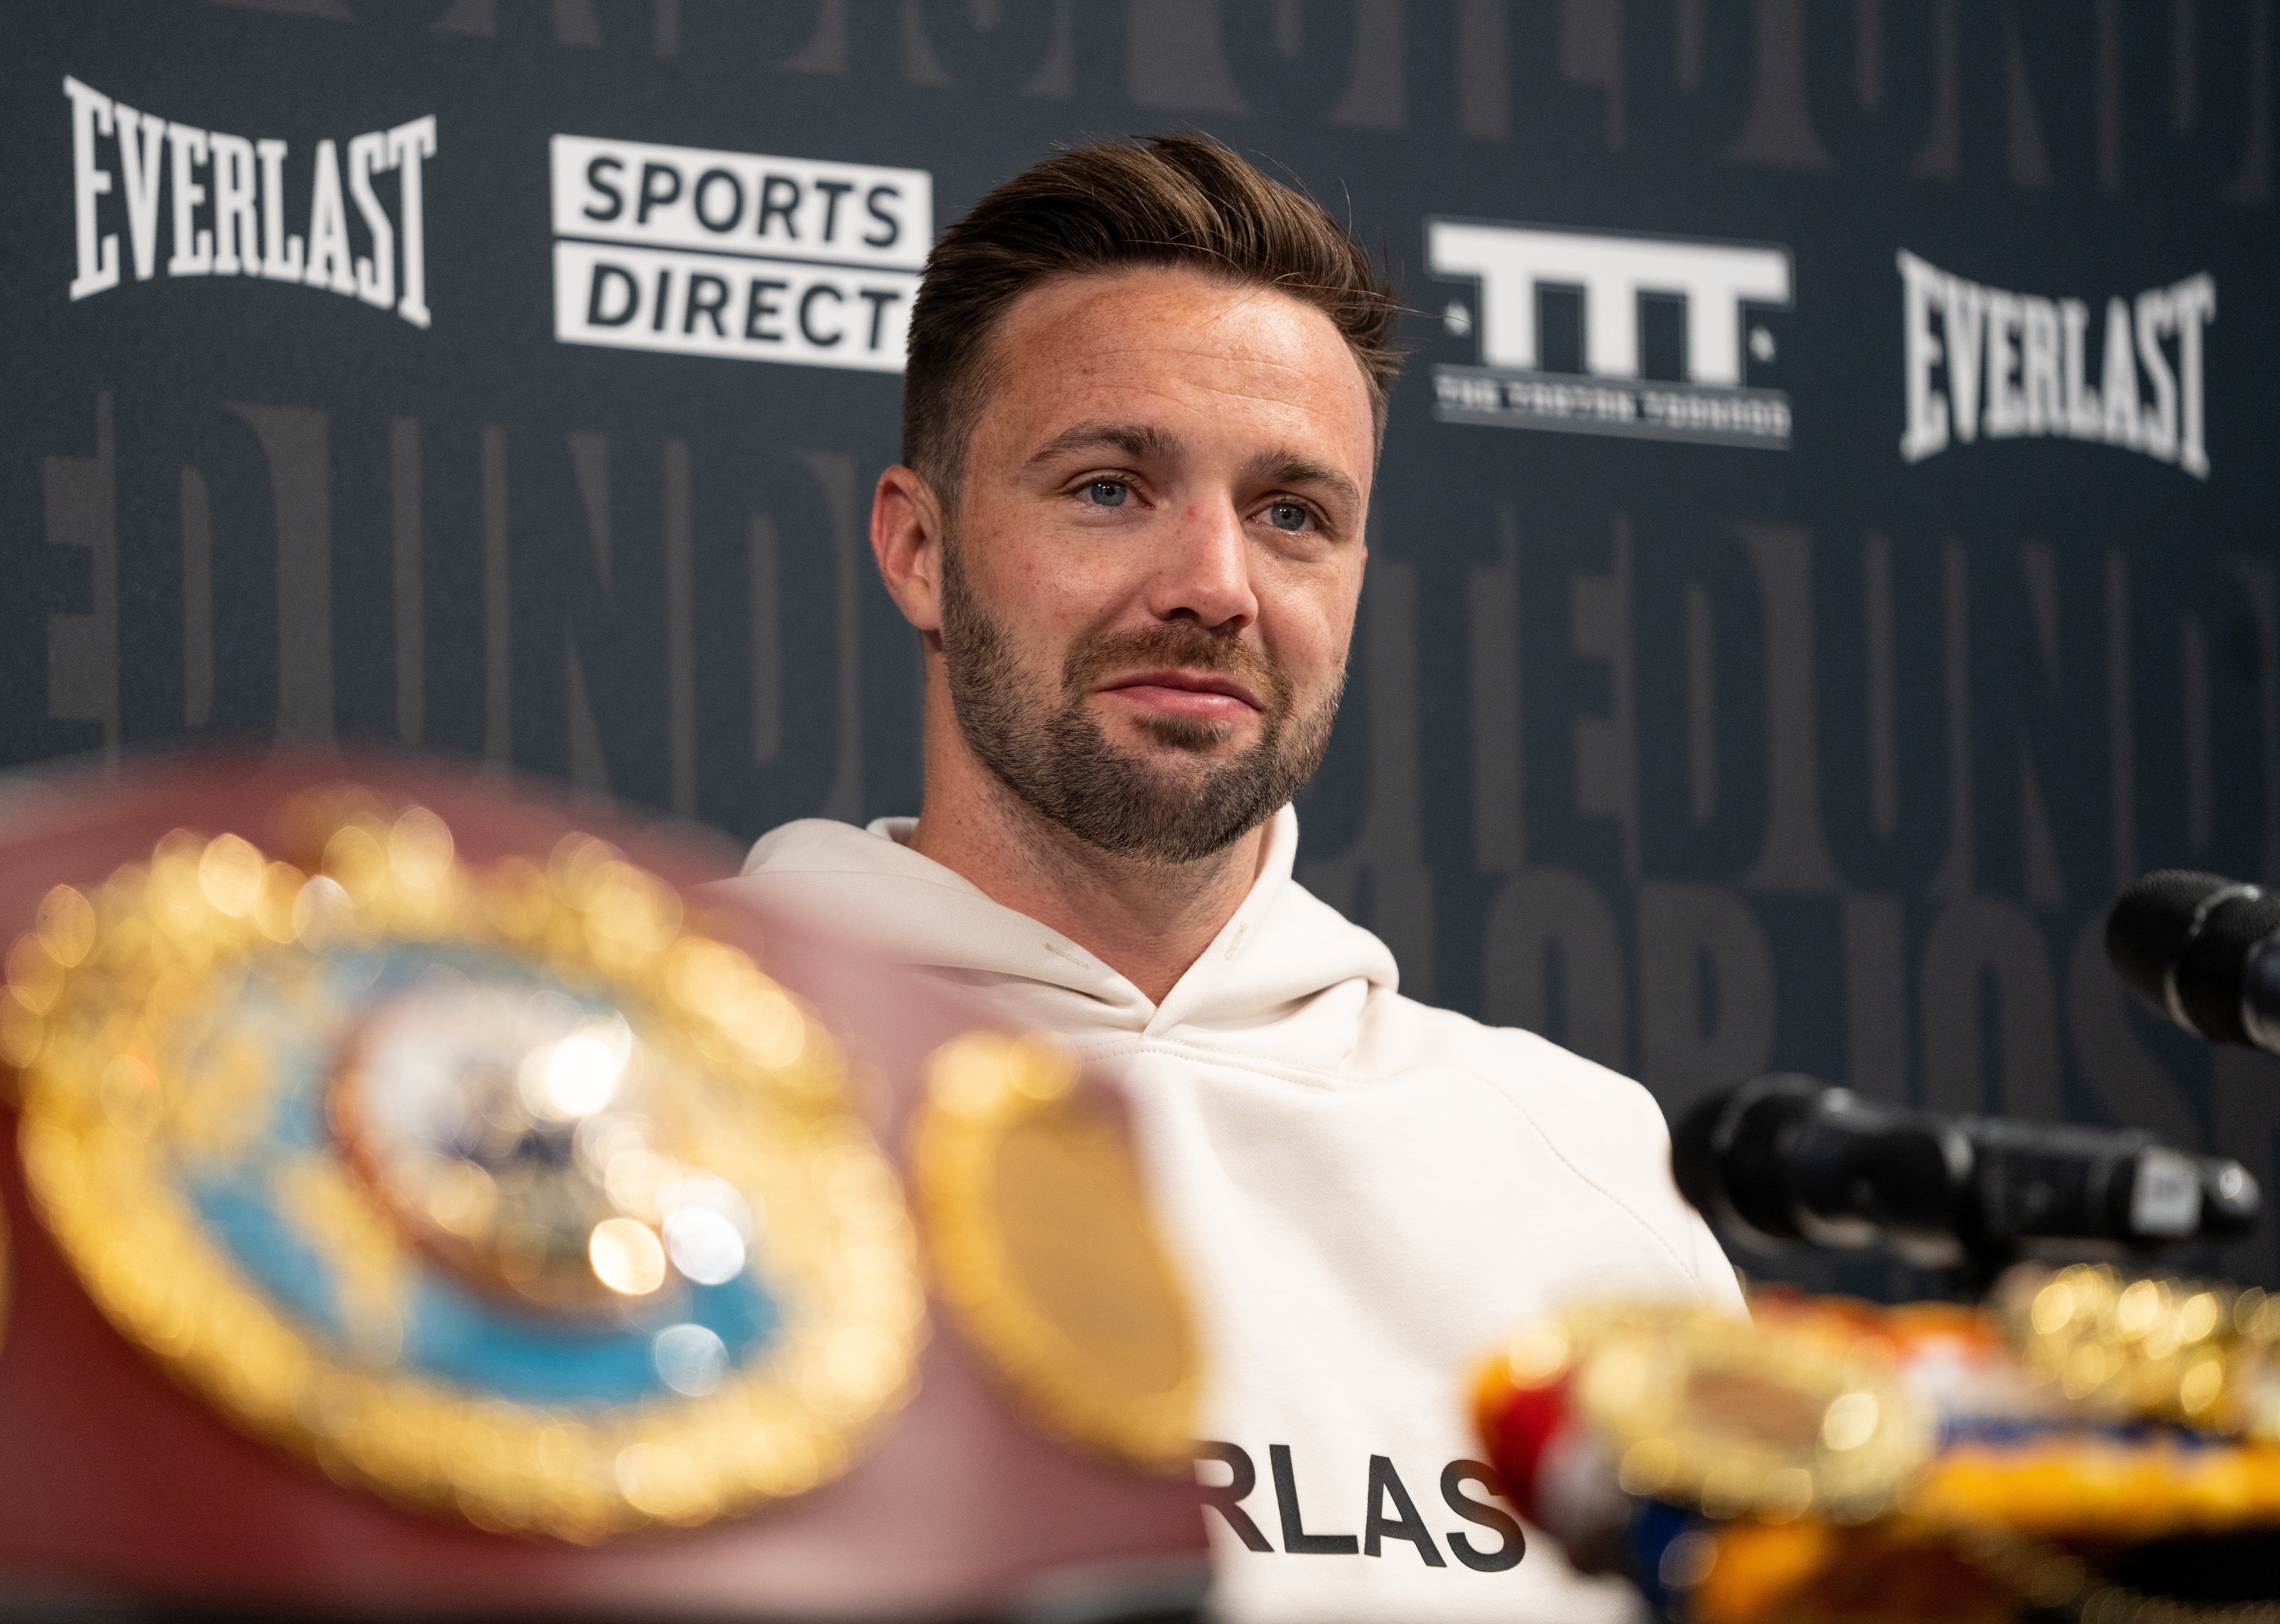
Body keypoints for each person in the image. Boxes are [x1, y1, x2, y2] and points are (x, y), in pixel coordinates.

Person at [720, 135, 1741, 1623]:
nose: (1216, 582)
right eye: (1112, 487)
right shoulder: (676, 1097)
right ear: (920, 549)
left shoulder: (1583, 1172)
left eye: (1293, 515)